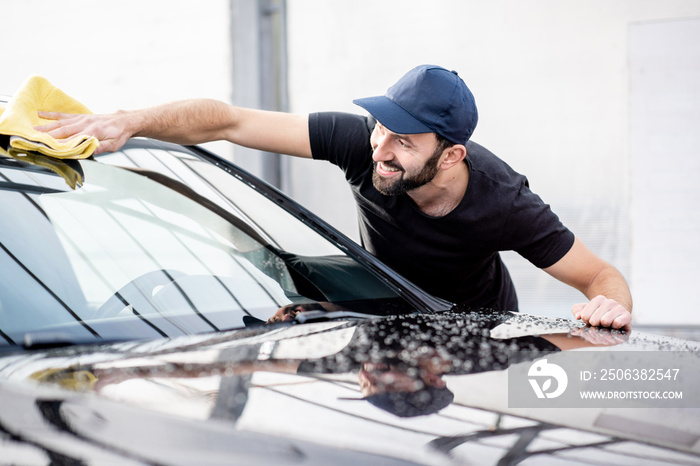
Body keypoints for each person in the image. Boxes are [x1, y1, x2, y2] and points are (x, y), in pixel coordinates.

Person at [36, 64, 632, 329]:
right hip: (377, 308)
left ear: (452, 155)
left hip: (463, 334)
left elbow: (600, 276)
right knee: (265, 262)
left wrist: (610, 306)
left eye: (402, 140)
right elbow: (229, 122)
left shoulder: (503, 202)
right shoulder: (361, 144)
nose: (381, 148)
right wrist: (129, 120)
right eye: (379, 127)